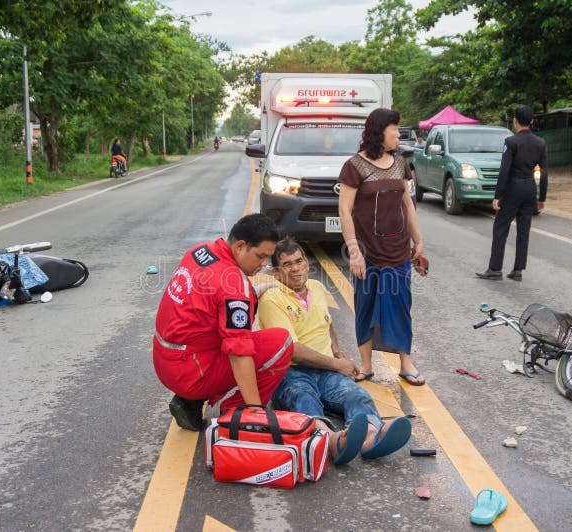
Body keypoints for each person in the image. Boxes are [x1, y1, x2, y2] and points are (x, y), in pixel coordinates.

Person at [258, 238, 412, 464]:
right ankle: (331, 441)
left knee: (357, 395)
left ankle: (370, 437)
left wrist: (338, 351)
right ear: (277, 273)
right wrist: (336, 364)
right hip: (290, 373)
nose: (296, 268)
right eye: (287, 264)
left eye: (299, 261)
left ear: (307, 264)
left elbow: (326, 323)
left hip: (326, 369)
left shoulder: (318, 288)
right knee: (304, 399)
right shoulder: (272, 298)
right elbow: (292, 350)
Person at [152, 214, 293, 431]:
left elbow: (209, 297)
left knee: (219, 331)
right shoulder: (234, 285)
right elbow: (239, 353)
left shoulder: (201, 251)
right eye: (260, 256)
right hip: (190, 372)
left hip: (165, 361)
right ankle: (229, 413)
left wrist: (254, 293)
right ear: (240, 246)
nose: (264, 264)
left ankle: (191, 401)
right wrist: (256, 410)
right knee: (280, 342)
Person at [338, 108, 428, 386]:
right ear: (380, 132)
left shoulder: (401, 163)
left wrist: (419, 241)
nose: (398, 135)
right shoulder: (354, 166)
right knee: (366, 305)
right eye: (394, 130)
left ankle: (405, 362)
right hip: (367, 253)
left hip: (398, 250)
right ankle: (366, 364)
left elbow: (407, 204)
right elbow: (344, 210)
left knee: (401, 306)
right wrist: (354, 251)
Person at [476, 105, 548, 281]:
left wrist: (497, 196)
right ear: (532, 121)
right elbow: (544, 172)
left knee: (501, 227)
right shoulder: (540, 143)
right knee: (524, 230)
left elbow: (504, 170)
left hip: (513, 188)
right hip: (530, 188)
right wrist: (542, 197)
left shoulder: (511, 142)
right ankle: (518, 270)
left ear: (515, 121)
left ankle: (494, 269)